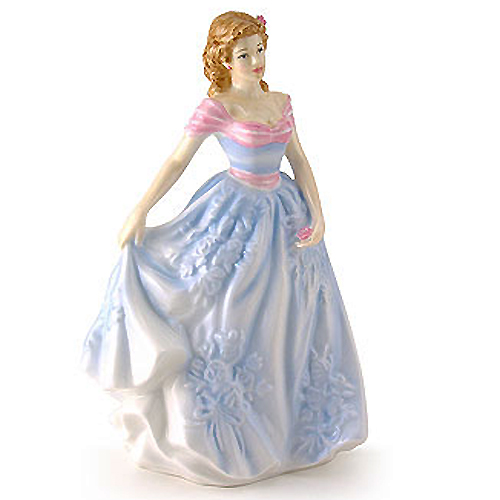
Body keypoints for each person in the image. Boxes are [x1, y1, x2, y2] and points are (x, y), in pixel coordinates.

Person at [81, 11, 368, 487]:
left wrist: (318, 213)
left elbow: (298, 159)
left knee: (289, 317)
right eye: (243, 54)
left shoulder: (281, 102)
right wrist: (140, 210)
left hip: (286, 217)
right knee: (226, 312)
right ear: (224, 60)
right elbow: (177, 160)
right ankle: (221, 425)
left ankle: (290, 423)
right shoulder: (218, 106)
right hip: (235, 214)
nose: (256, 60)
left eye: (259, 49)